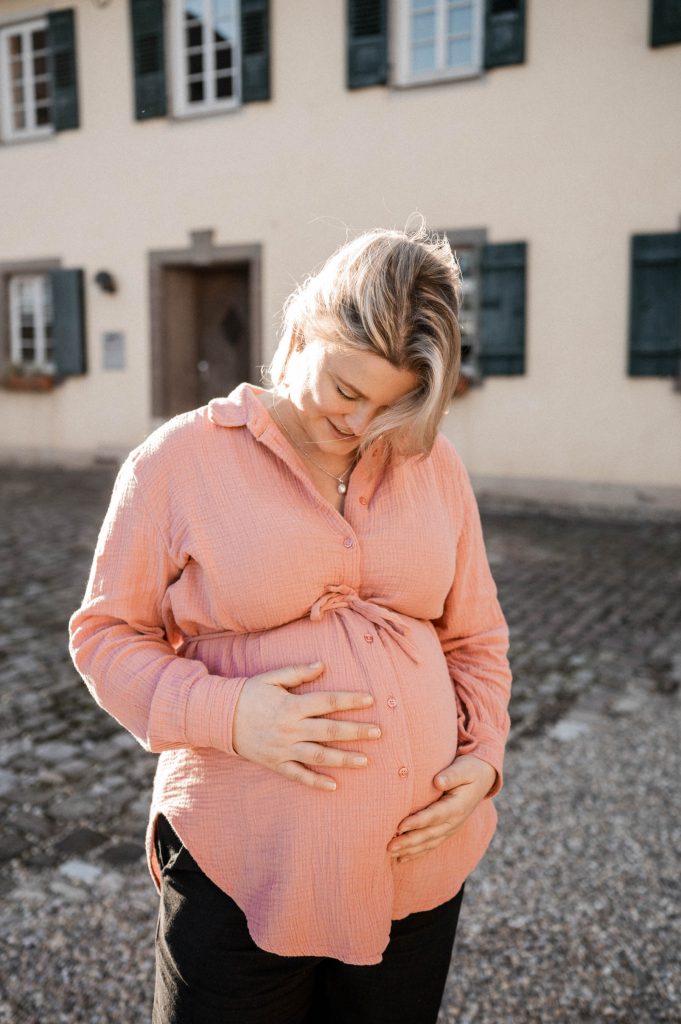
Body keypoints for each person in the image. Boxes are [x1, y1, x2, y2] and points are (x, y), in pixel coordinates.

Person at [68, 221, 512, 1024]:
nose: (360, 424)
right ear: (301, 327)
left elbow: (475, 638)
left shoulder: (434, 465)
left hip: (417, 871)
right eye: (346, 390)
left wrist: (481, 760)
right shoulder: (176, 463)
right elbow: (104, 637)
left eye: (393, 405)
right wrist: (230, 714)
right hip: (244, 871)